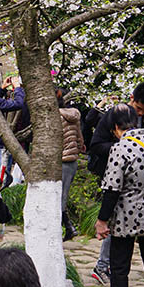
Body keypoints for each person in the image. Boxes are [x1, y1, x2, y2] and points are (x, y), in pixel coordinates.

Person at [87, 82, 144, 284]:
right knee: (113, 221)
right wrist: (123, 150)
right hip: (115, 177)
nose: (140, 114)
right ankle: (102, 265)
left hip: (142, 186)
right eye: (139, 109)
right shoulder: (114, 115)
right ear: (132, 98)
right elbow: (96, 145)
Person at [94, 103, 144, 287]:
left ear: (116, 127)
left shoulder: (120, 148)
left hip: (125, 217)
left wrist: (102, 221)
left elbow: (111, 189)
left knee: (119, 269)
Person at [58, 90, 82, 241]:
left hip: (61, 160)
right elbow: (80, 138)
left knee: (59, 199)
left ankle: (68, 228)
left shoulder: (56, 116)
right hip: (72, 160)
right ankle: (68, 228)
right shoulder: (74, 115)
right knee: (62, 196)